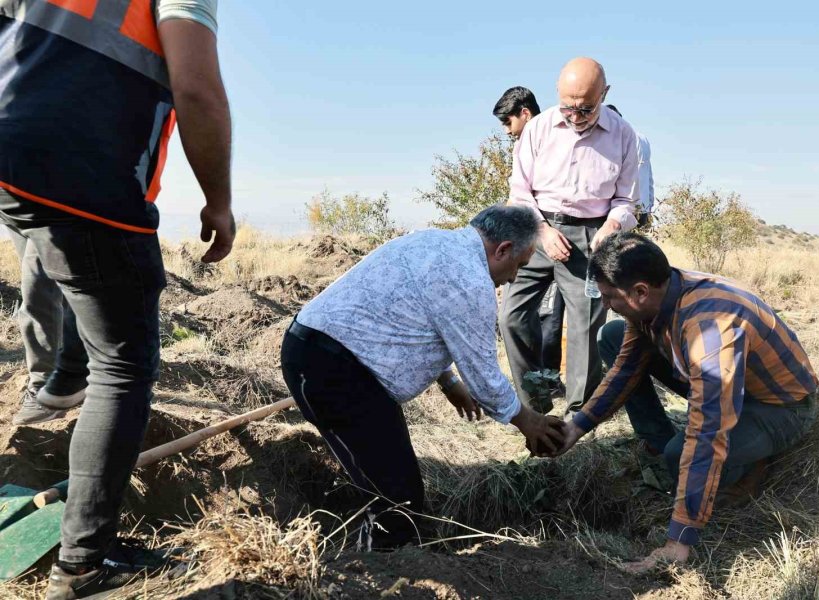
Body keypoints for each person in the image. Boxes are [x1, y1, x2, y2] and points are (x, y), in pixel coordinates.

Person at [0, 1, 235, 597]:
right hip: (89, 173)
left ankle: (61, 377)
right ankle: (83, 564)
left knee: (59, 262)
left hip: (9, 159)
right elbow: (197, 88)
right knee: (124, 364)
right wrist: (219, 201)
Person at [281, 205, 564, 550]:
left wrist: (449, 382)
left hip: (322, 355)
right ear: (503, 249)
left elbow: (414, 323)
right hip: (333, 370)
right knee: (396, 502)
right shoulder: (470, 280)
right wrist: (528, 422)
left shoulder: (432, 241)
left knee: (396, 487)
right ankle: (378, 569)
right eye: (519, 265)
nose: (514, 278)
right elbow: (485, 378)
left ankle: (383, 555)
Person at [554, 233, 818, 572]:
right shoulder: (658, 293)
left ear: (640, 292)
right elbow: (627, 369)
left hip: (779, 407)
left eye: (609, 297)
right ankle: (659, 443)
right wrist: (577, 427)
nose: (605, 305)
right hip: (732, 384)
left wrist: (678, 540)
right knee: (612, 335)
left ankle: (751, 467)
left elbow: (708, 430)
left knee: (681, 454)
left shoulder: (709, 327)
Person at [501, 57, 639, 414]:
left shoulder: (624, 135)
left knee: (585, 329)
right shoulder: (538, 128)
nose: (575, 116)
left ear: (604, 94)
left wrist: (611, 227)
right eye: (568, 107)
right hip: (535, 230)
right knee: (511, 317)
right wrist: (543, 232)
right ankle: (535, 405)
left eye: (586, 109)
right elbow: (520, 192)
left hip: (590, 236)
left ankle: (578, 415)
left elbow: (626, 200)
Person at [493, 87, 565, 380]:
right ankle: (533, 387)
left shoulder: (560, 138)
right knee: (512, 316)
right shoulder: (521, 146)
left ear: (525, 113)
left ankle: (554, 382)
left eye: (508, 122)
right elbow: (518, 195)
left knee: (554, 316)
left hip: (566, 237)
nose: (507, 131)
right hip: (531, 239)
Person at [7, 228, 86, 425]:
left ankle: (46, 386)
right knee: (56, 280)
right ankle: (73, 372)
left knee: (38, 287)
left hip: (51, 212)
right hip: (14, 211)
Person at [607, 105, 654, 228]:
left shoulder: (619, 139)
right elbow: (648, 176)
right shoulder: (642, 139)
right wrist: (649, 206)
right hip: (642, 207)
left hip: (624, 209)